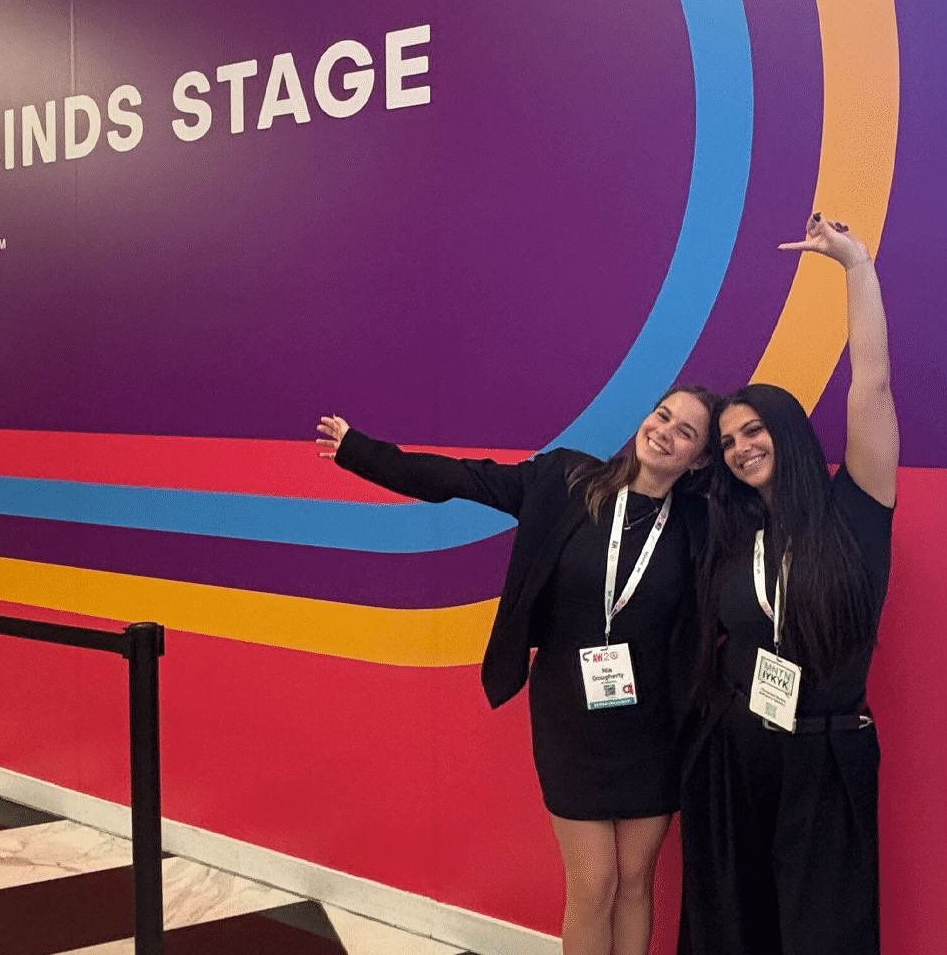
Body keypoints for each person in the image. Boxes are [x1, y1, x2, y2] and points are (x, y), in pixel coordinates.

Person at [316, 386, 720, 955]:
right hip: (569, 718)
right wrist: (360, 451)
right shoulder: (566, 481)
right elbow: (464, 479)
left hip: (651, 726)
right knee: (593, 884)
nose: (665, 433)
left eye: (686, 432)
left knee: (634, 883)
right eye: (663, 415)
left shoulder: (699, 524)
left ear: (700, 458)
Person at [679, 214, 899, 955]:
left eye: (753, 431)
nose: (741, 449)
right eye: (730, 440)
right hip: (737, 751)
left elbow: (871, 383)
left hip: (826, 755)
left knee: (822, 934)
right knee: (735, 929)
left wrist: (855, 267)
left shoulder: (856, 509)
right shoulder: (736, 533)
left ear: (790, 431)